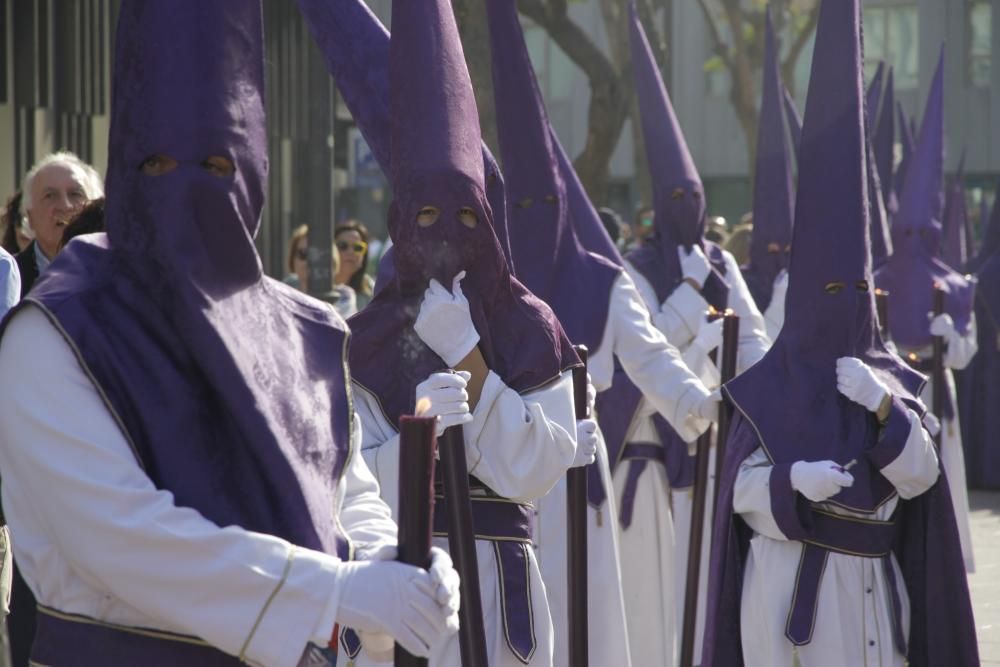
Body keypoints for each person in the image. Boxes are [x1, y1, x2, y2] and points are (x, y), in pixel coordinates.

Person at [0, 3, 460, 666]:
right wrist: (336, 588)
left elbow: (344, 492)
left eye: (218, 168)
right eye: (158, 165)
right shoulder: (55, 330)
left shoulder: (304, 333)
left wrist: (394, 563)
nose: (189, 192)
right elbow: (118, 537)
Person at [703, 4, 979, 664]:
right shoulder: (764, 389)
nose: (847, 306)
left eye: (858, 292)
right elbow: (736, 495)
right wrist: (789, 481)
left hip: (873, 598)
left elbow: (918, 479)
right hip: (786, 604)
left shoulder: (890, 381)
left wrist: (884, 409)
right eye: (833, 292)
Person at [342, 0, 585, 664]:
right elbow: (342, 481)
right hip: (406, 583)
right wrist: (416, 445)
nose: (448, 236)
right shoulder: (363, 342)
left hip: (505, 604)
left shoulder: (530, 323)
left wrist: (470, 360)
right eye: (426, 214)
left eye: (466, 216)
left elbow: (535, 471)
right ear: (398, 222)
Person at [483, 3, 720, 665]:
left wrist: (694, 402)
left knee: (589, 627)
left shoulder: (603, 282)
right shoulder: (489, 290)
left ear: (566, 206)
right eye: (520, 208)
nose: (533, 219)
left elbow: (651, 355)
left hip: (584, 485)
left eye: (545, 205)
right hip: (506, 483)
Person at [611, 5, 770, 663]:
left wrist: (716, 324)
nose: (687, 209)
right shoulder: (633, 268)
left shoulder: (721, 261)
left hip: (709, 458)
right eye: (674, 198)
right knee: (650, 610)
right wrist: (692, 308)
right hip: (648, 466)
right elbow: (642, 354)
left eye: (693, 197)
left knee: (704, 606)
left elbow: (753, 346)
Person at [874, 52, 978, 573]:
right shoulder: (879, 281)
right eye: (905, 231)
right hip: (899, 394)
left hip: (940, 386)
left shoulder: (957, 287)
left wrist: (949, 337)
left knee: (944, 480)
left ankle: (947, 561)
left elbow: (965, 353)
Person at [739, 10, 794, 342]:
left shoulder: (810, 282)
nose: (780, 256)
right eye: (771, 249)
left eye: (787, 249)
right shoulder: (738, 284)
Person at [16, 152, 103, 296]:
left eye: (76, 194)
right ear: (30, 217)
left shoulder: (120, 275)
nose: (66, 206)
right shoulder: (8, 276)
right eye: (50, 196)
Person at [285, 224, 357, 318]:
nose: (310, 261)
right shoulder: (283, 292)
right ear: (292, 259)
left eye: (319, 255)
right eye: (303, 254)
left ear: (332, 260)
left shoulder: (345, 296)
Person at [333, 221, 374, 310]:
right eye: (342, 246)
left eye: (358, 248)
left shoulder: (371, 290)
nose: (350, 252)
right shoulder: (315, 286)